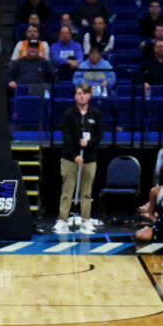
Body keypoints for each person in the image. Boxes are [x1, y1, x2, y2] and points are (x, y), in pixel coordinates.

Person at [56, 84, 105, 233]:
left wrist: (89, 143)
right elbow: (67, 137)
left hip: (89, 158)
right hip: (70, 158)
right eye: (79, 93)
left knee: (86, 192)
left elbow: (99, 135)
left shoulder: (95, 114)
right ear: (75, 96)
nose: (82, 96)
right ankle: (63, 220)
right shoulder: (69, 114)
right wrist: (74, 155)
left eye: (84, 93)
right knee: (67, 190)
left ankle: (85, 220)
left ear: (89, 96)